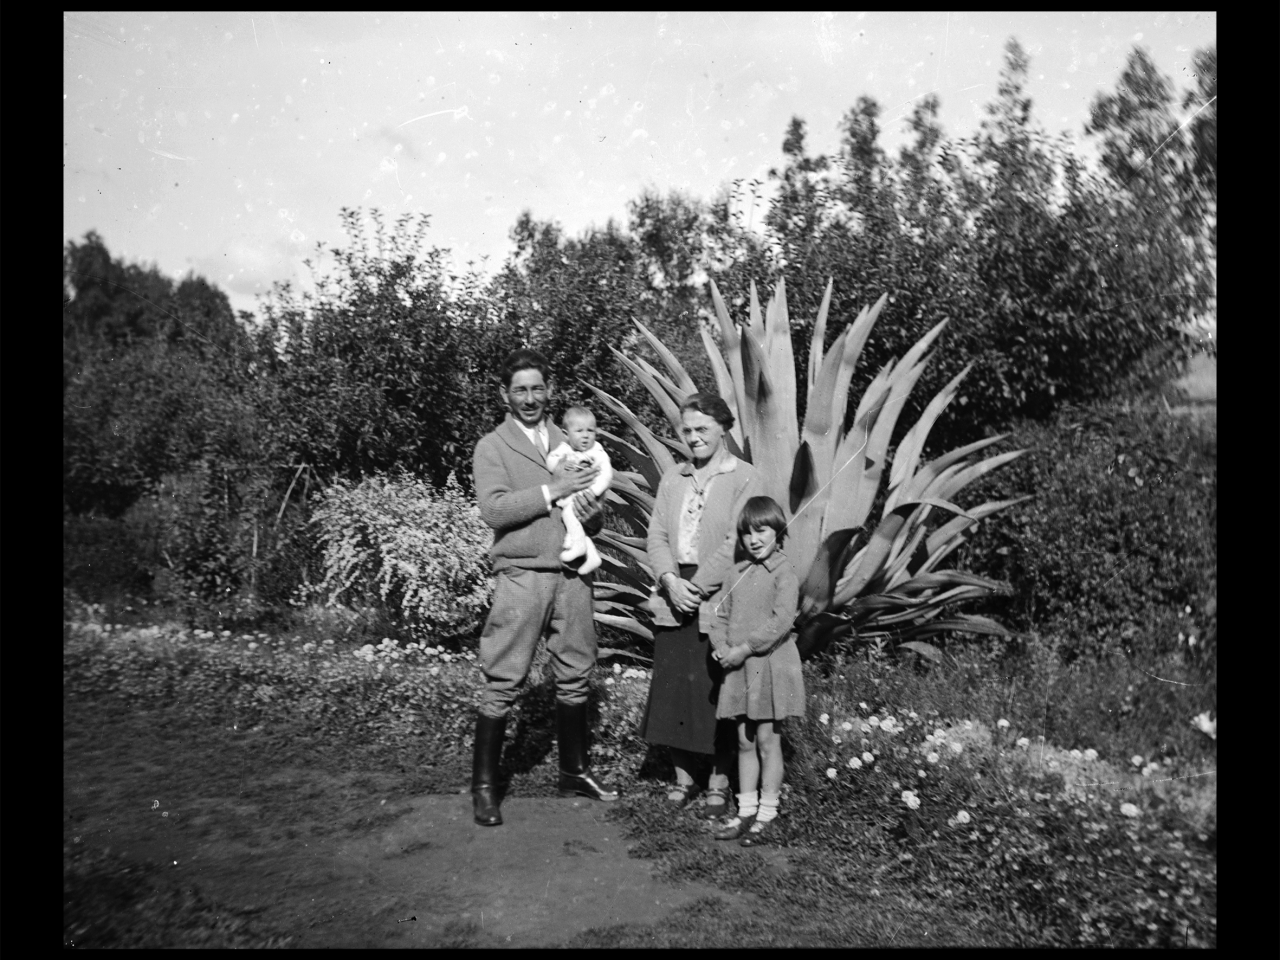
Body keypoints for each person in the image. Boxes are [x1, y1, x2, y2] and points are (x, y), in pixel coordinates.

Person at [469, 348, 619, 827]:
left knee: (576, 670)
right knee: (504, 675)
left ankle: (573, 771)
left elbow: (592, 507)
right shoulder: (492, 447)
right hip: (522, 575)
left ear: (549, 391)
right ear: (504, 395)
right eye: (520, 390)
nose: (530, 398)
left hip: (572, 573)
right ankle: (486, 788)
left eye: (537, 388)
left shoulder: (574, 437)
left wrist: (594, 516)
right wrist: (552, 490)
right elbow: (493, 510)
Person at [637, 392, 761, 820]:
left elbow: (737, 540)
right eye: (686, 430)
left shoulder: (745, 477)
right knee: (676, 688)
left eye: (702, 429)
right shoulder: (673, 478)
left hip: (720, 595)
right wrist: (671, 581)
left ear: (723, 428)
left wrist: (697, 586)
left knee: (716, 690)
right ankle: (682, 778)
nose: (693, 437)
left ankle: (719, 781)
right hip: (675, 592)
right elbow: (656, 535)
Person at [708, 495, 804, 846]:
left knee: (767, 739)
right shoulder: (734, 572)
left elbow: (781, 621)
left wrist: (744, 649)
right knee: (743, 739)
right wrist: (722, 648)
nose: (754, 539)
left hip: (767, 665)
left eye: (762, 530)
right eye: (747, 532)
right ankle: (746, 809)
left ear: (779, 532)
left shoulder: (784, 572)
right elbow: (718, 614)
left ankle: (768, 813)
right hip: (737, 666)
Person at [545, 405, 614, 577]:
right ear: (567, 434)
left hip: (585, 496)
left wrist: (592, 492)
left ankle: (579, 547)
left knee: (569, 515)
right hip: (570, 494)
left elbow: (606, 475)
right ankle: (590, 555)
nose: (585, 435)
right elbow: (551, 461)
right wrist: (560, 464)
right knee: (572, 520)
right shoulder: (564, 449)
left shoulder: (598, 452)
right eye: (579, 431)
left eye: (590, 431)